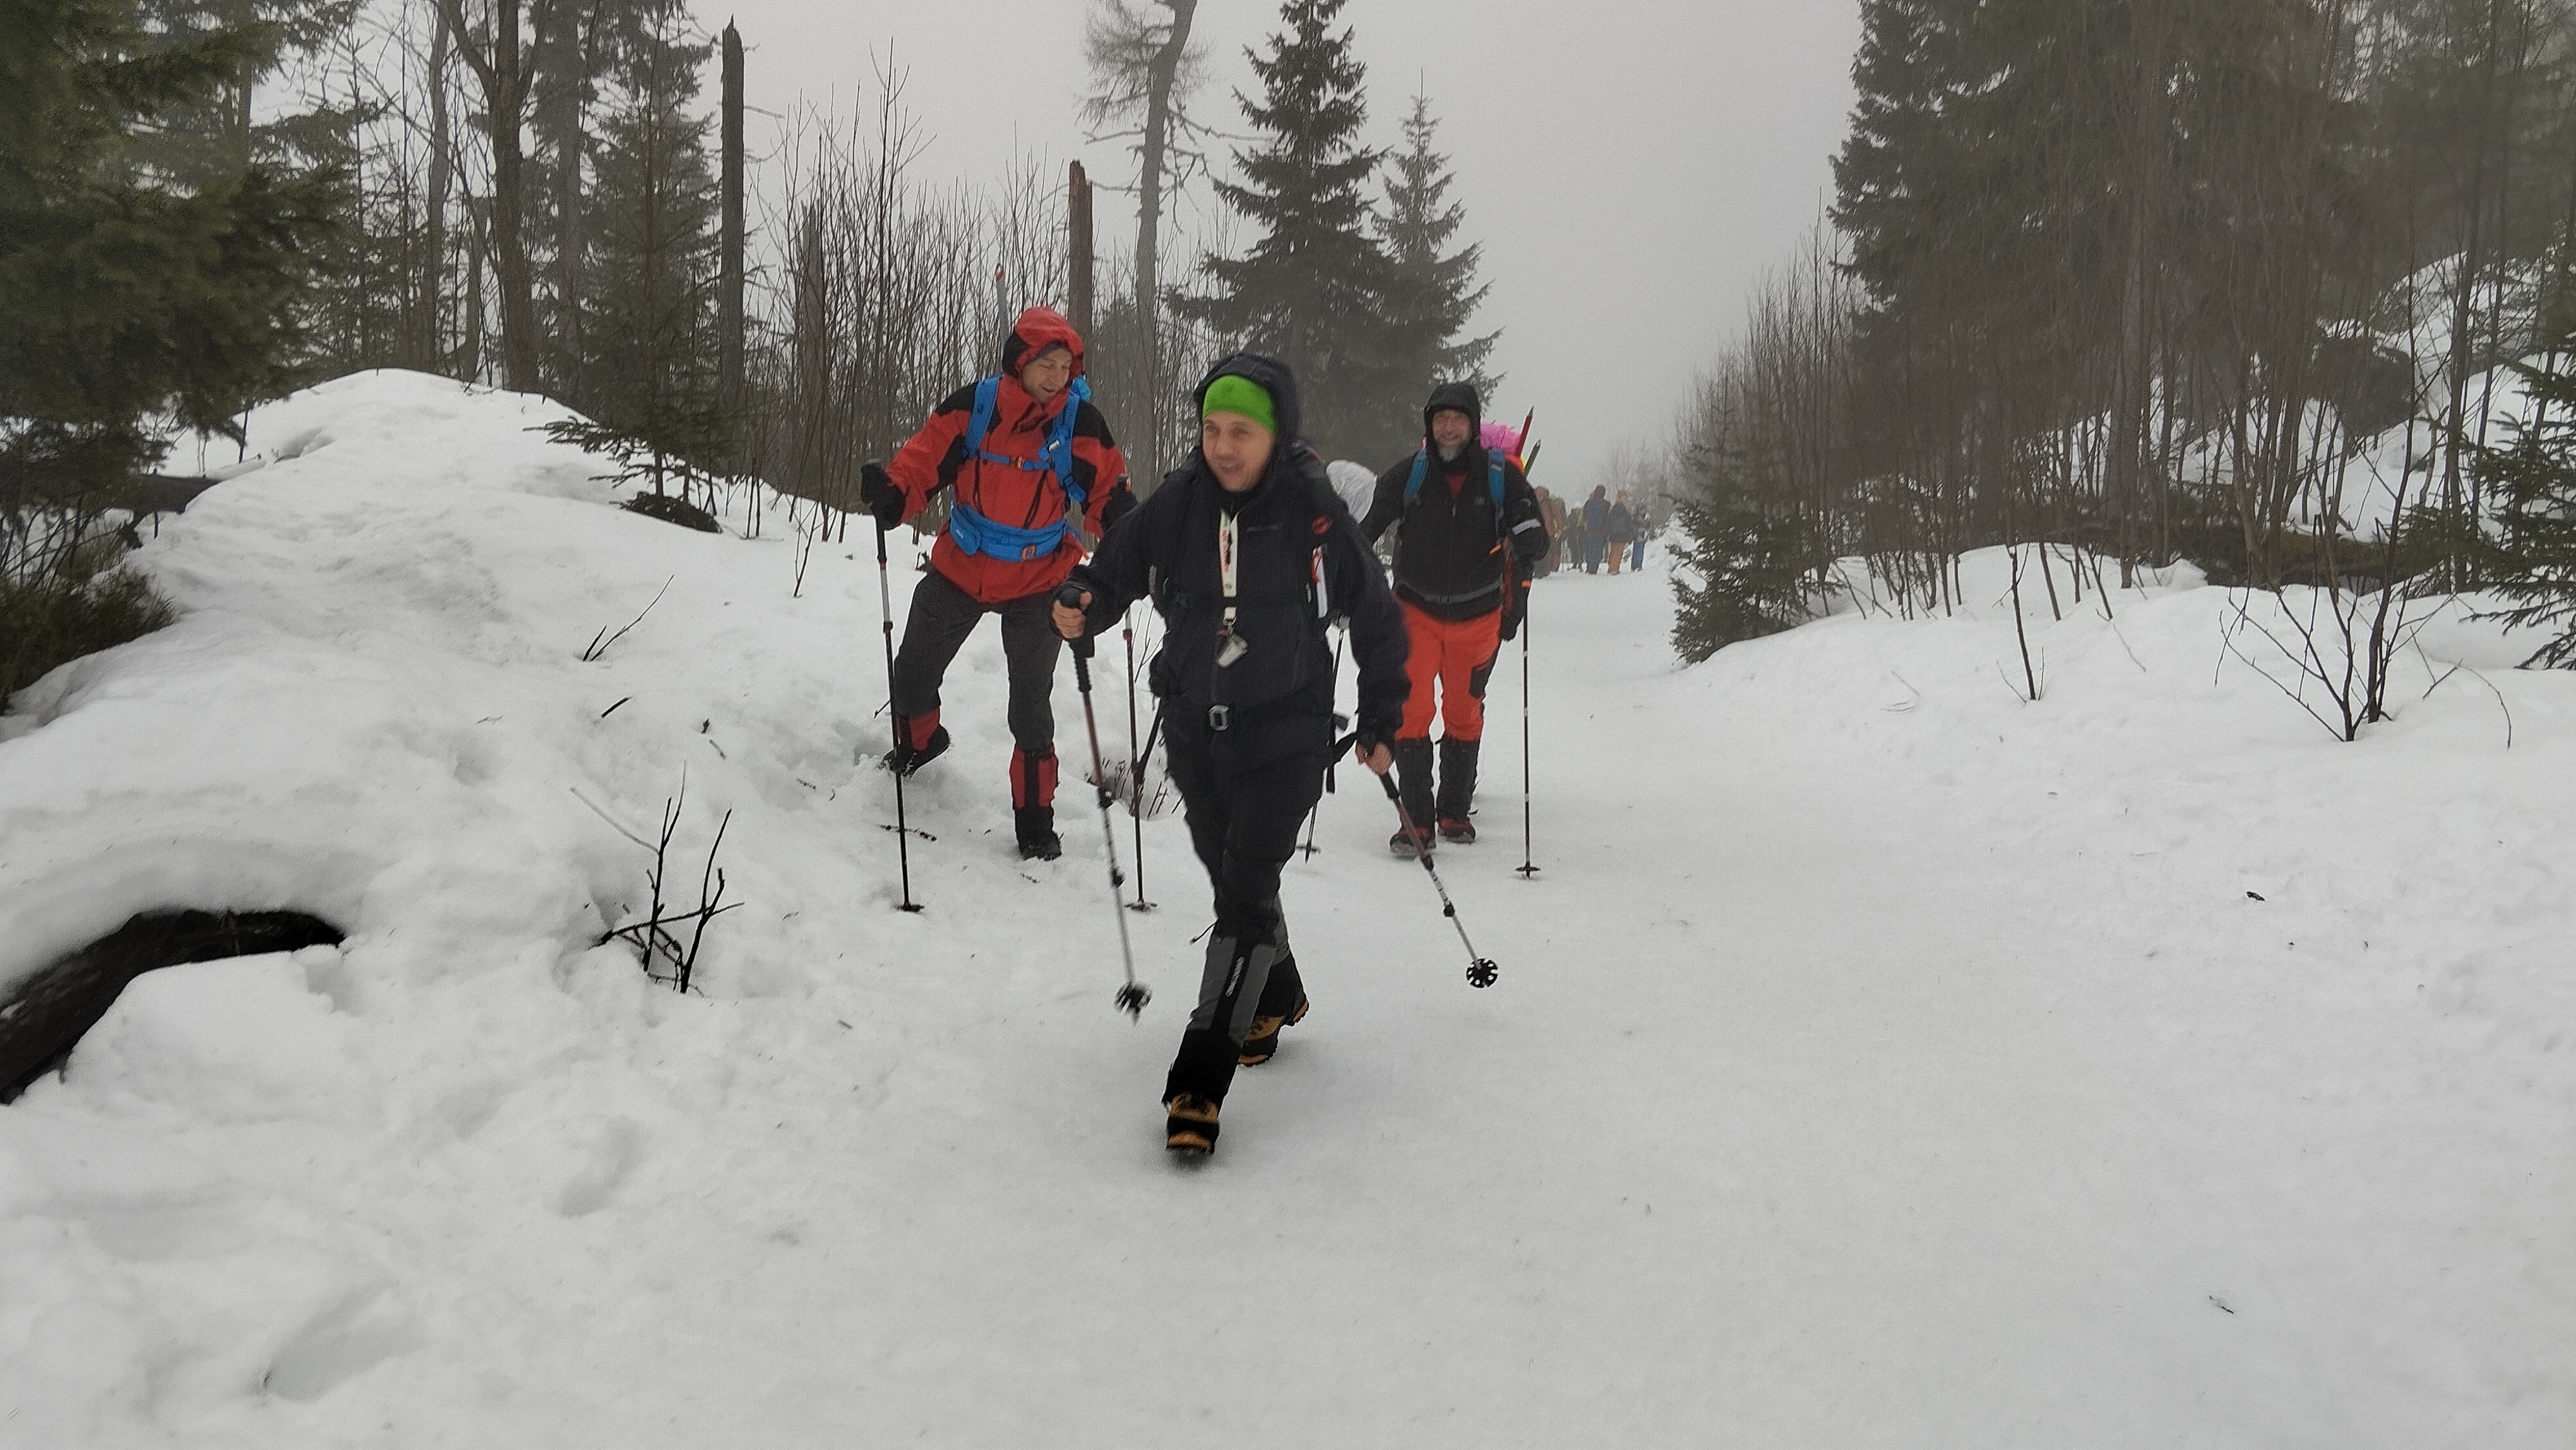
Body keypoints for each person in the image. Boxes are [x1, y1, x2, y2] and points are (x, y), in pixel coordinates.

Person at [1054, 354, 1407, 1156]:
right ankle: (1277, 992)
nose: (1223, 446)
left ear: (1275, 434)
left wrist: (1385, 714)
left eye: (1240, 431)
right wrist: (1080, 603)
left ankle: (1198, 1080)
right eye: (1212, 429)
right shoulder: (1179, 504)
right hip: (1192, 725)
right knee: (1232, 876)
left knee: (1244, 891)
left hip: (1287, 729)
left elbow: (1378, 617)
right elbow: (1109, 576)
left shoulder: (1313, 511)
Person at [859, 307, 1135, 861]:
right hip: (963, 566)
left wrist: (1133, 543)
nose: (1057, 377)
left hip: (1039, 581)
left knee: (1029, 707)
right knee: (912, 672)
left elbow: (1107, 495)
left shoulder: (1080, 424)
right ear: (1019, 364)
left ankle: (1035, 823)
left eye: (1065, 366)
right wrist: (893, 493)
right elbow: (923, 460)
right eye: (1046, 366)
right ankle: (918, 744)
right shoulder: (974, 407)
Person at [1361, 383, 1549, 852]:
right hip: (1414, 614)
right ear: (1429, 425)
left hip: (1479, 615)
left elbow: (1536, 539)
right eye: (1440, 419)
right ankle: (1416, 822)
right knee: (1412, 711)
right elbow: (1367, 527)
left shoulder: (1501, 475)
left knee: (1464, 713)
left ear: (1473, 425)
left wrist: (1528, 535)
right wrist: (1350, 563)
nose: (1448, 427)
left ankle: (1454, 812)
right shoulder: (1410, 474)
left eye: (1457, 419)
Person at [1580, 485, 1610, 573]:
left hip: (1590, 529)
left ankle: (1589, 566)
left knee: (1590, 548)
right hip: (1600, 530)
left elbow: (1584, 515)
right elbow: (1607, 518)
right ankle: (1593, 568)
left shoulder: (1589, 502)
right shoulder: (1606, 504)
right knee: (1597, 549)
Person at [1605, 489, 1636, 575]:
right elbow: (1629, 524)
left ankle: (1611, 567)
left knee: (1613, 551)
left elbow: (1609, 523)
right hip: (1623, 535)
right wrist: (1630, 535)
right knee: (1619, 552)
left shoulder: (1613, 511)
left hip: (1613, 534)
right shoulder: (1626, 512)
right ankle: (1615, 569)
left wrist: (1607, 534)